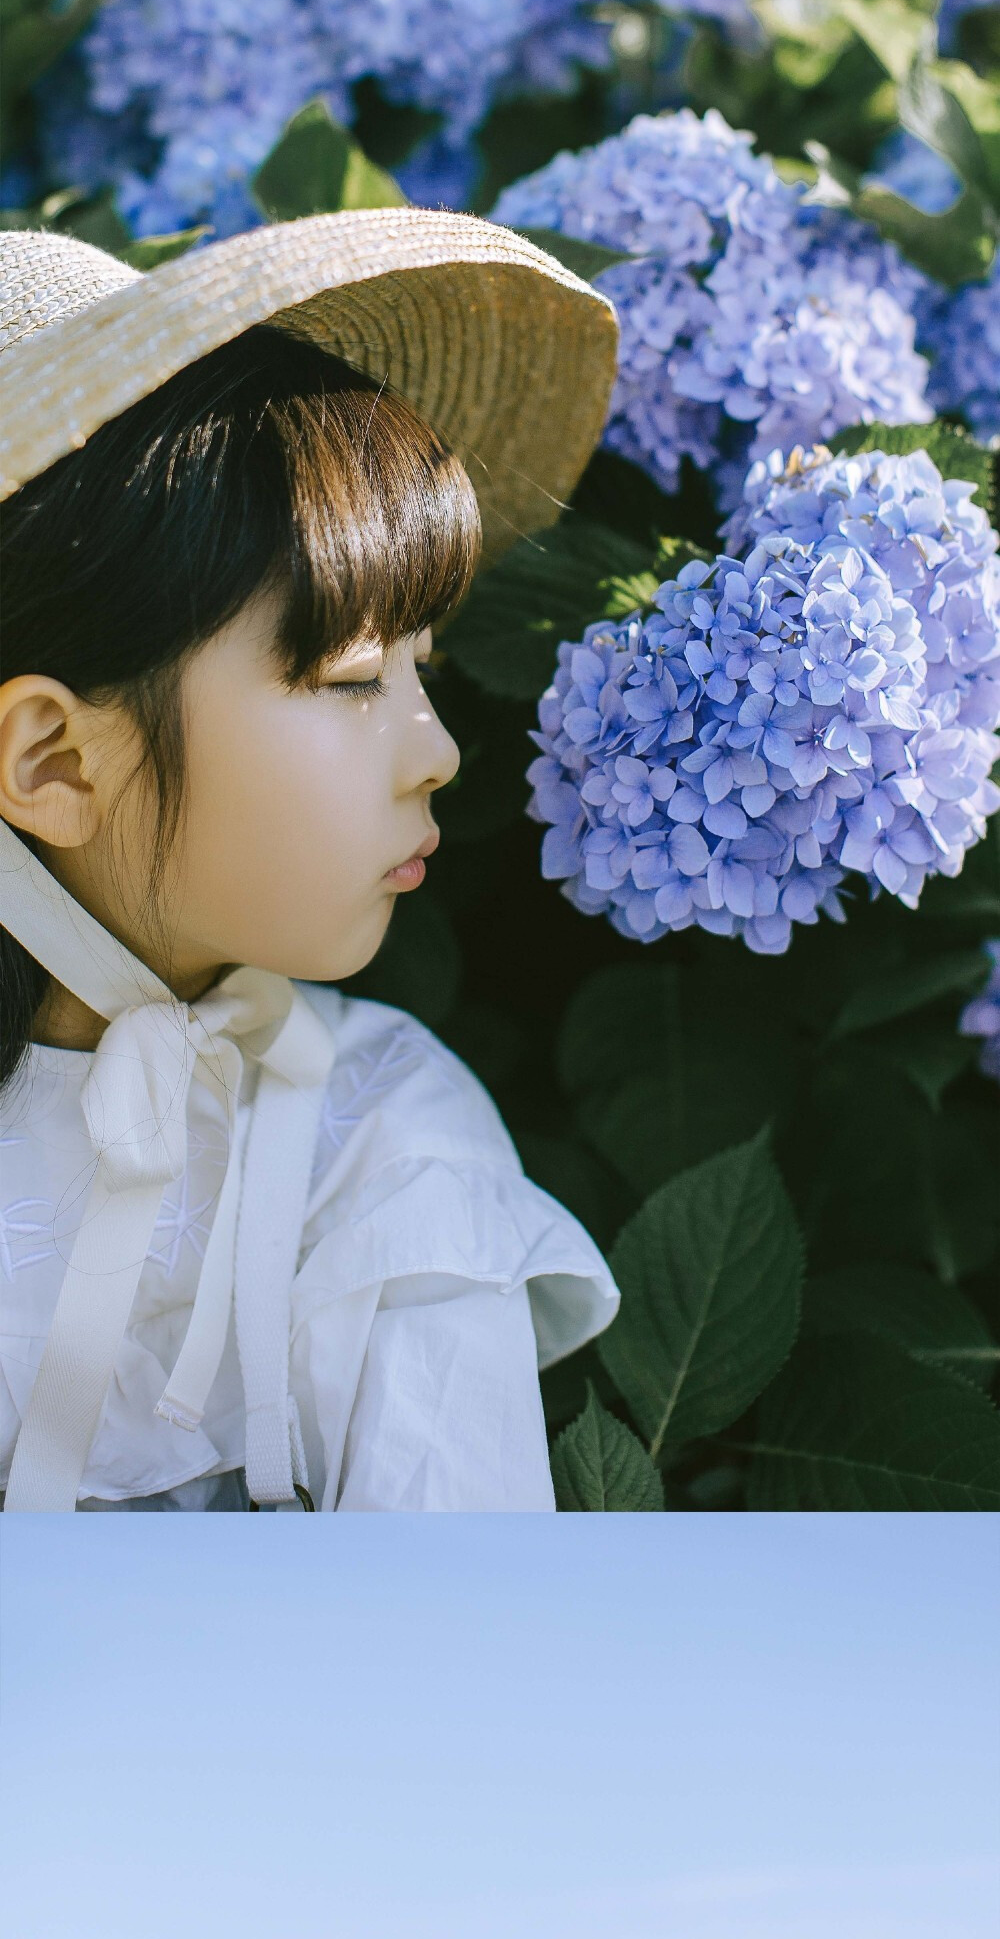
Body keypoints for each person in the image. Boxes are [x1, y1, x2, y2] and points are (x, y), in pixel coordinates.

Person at [0, 204, 618, 1507]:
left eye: (422, 669)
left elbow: (457, 1650)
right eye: (350, 680)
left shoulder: (378, 1137)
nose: (437, 749)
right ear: (54, 761)